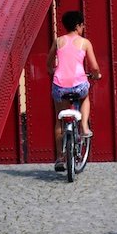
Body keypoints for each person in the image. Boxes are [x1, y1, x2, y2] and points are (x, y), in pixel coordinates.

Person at [47, 10, 101, 172]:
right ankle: (84, 126)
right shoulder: (84, 42)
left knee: (59, 121)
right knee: (85, 98)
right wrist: (97, 75)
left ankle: (60, 158)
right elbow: (95, 66)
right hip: (78, 85)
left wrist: (52, 70)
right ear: (78, 26)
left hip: (60, 86)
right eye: (82, 24)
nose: (83, 27)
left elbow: (49, 62)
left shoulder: (58, 41)